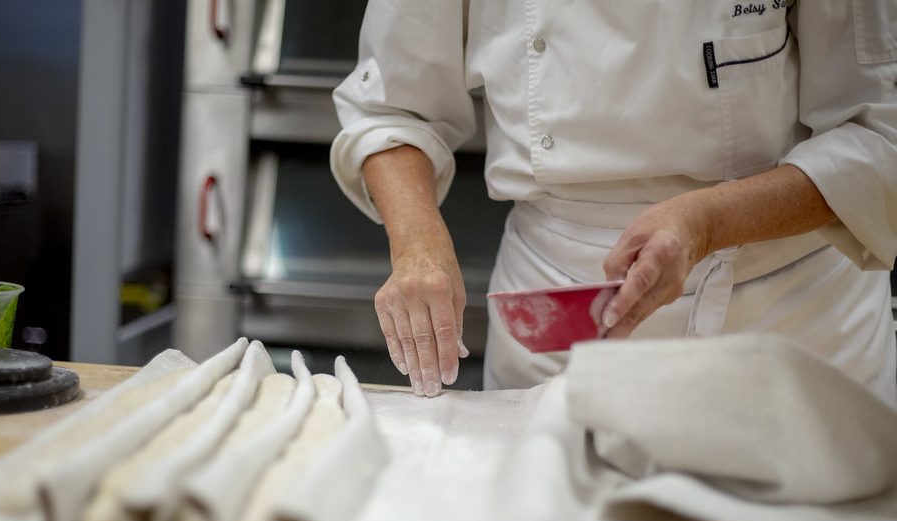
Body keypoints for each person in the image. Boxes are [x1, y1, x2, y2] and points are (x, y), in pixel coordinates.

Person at [330, 2, 897, 404]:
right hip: (560, 313)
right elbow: (390, 107)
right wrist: (419, 245)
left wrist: (706, 221)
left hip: (790, 321)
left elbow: (878, 137)